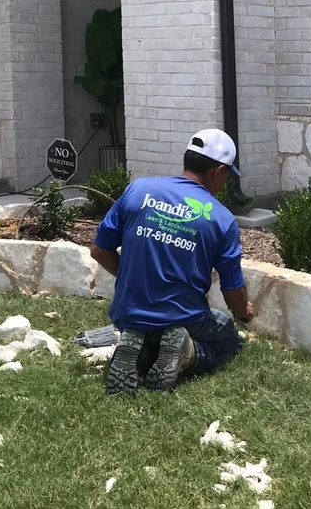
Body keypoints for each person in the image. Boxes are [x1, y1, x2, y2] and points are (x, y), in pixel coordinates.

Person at [90, 128, 253, 395]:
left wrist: (133, 278)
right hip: (183, 317)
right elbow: (232, 290)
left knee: (152, 334)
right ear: (220, 172)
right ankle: (187, 352)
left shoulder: (138, 190)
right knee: (226, 337)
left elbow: (99, 251)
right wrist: (243, 312)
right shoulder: (222, 220)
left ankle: (141, 348)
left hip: (128, 312)